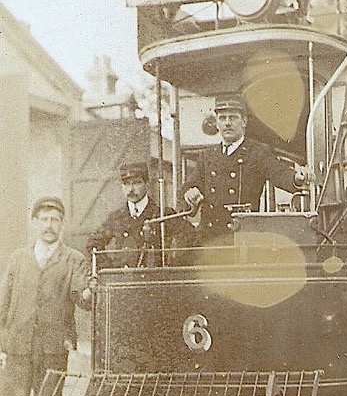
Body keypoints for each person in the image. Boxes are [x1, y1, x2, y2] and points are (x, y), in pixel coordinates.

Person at [0, 197, 92, 396]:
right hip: (18, 352)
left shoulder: (73, 260)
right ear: (35, 223)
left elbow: (81, 293)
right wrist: (4, 343)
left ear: (62, 224)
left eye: (55, 219)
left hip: (52, 352)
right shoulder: (18, 259)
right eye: (44, 219)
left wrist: (90, 291)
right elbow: (3, 305)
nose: (49, 225)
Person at [181, 95, 312, 241]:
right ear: (217, 123)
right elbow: (187, 190)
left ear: (244, 121)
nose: (227, 123)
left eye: (233, 118)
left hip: (241, 237)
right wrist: (190, 195)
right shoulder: (206, 157)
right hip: (209, 239)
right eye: (222, 118)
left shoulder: (257, 152)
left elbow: (279, 173)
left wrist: (297, 178)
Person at [86, 161, 194, 267]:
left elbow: (191, 237)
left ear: (147, 184)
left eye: (137, 183)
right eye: (126, 184)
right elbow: (93, 244)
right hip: (126, 281)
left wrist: (173, 265)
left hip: (155, 281)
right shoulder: (116, 218)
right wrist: (111, 268)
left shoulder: (163, 215)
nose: (131, 189)